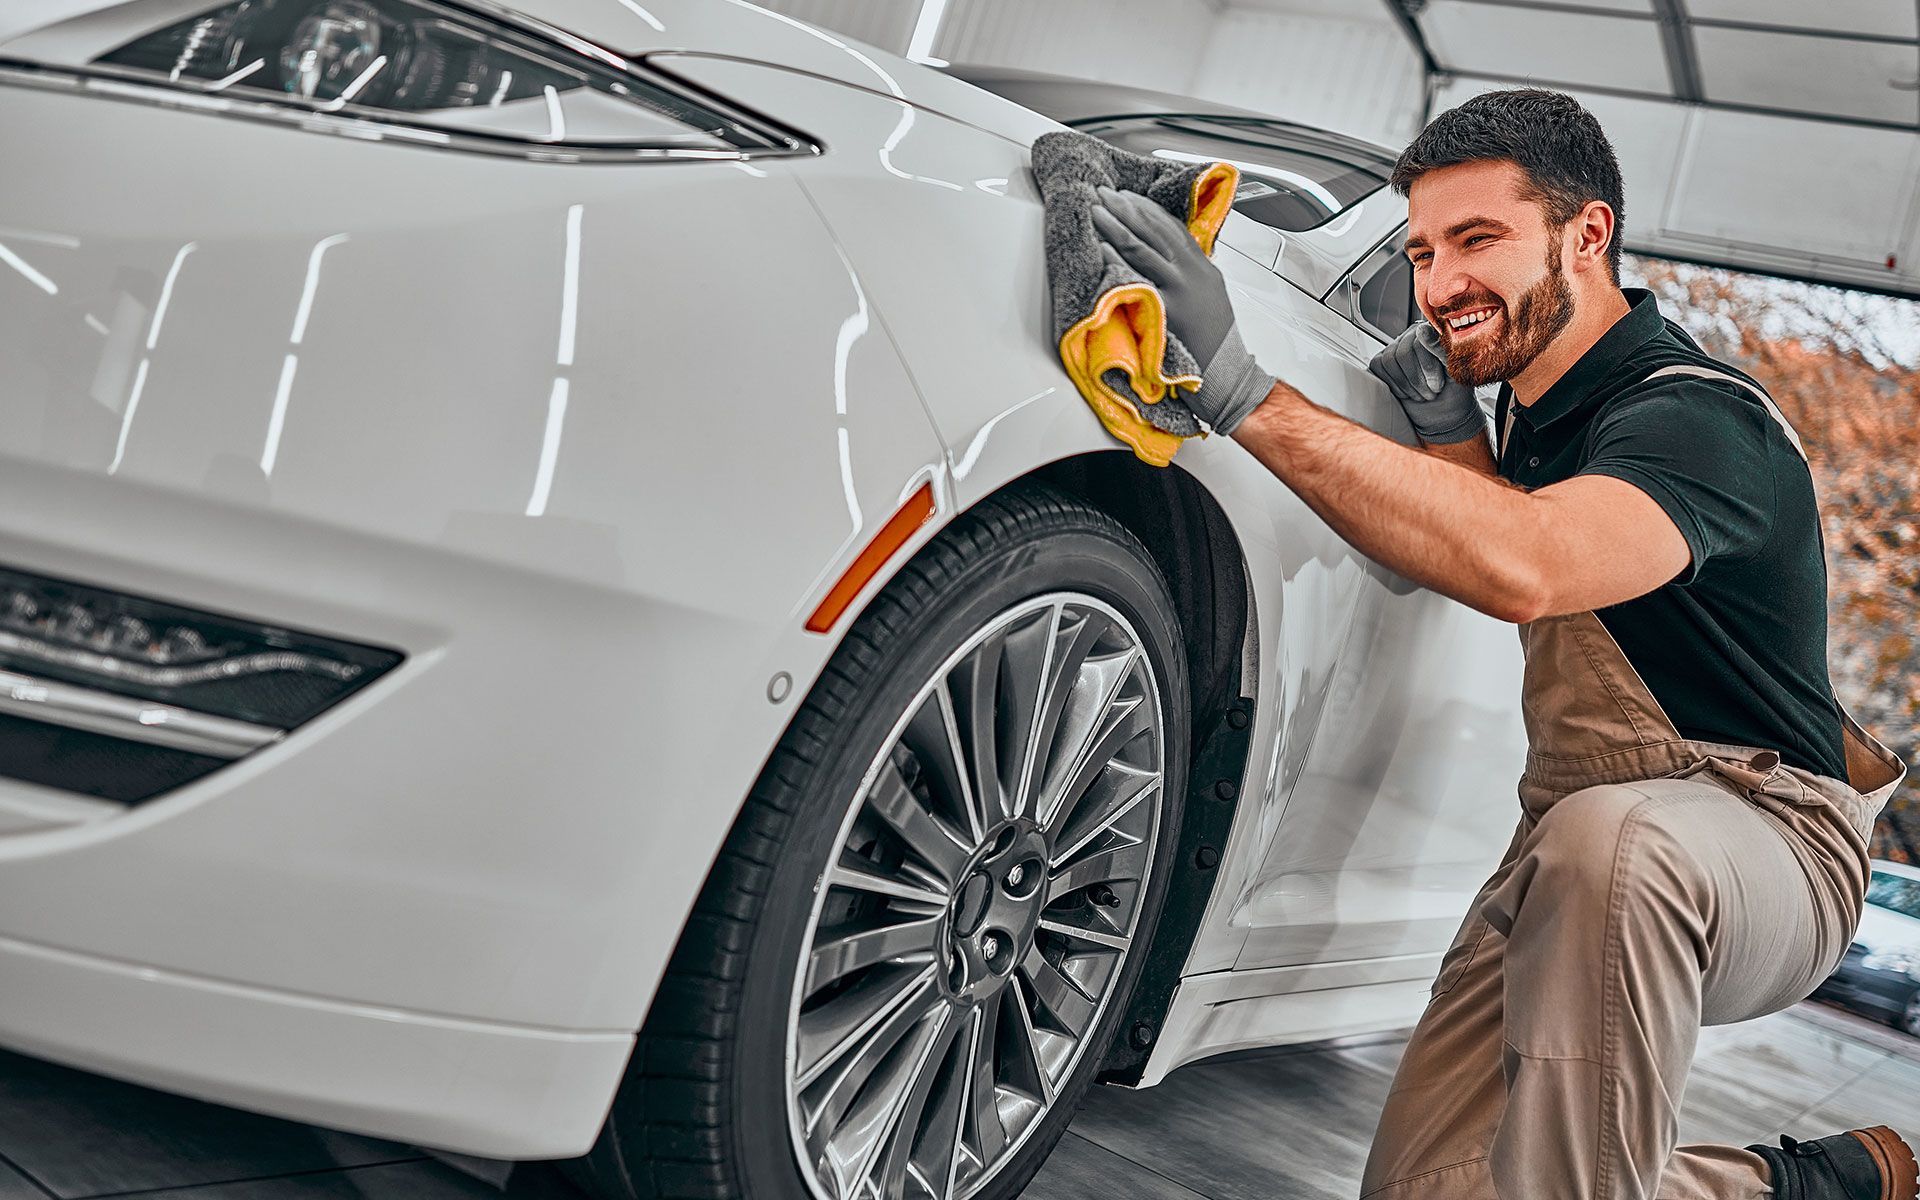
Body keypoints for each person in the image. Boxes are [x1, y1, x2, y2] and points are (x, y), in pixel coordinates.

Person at [1089, 87, 1914, 1200]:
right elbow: (1535, 570)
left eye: (1479, 241)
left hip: (1769, 844)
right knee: (1439, 1188)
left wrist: (1244, 391)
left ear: (1587, 236)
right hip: (1574, 846)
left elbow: (1530, 563)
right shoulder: (1537, 405)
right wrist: (1451, 441)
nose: (1439, 287)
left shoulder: (1700, 418)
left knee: (1617, 846)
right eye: (1424, 251)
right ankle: (1804, 1187)